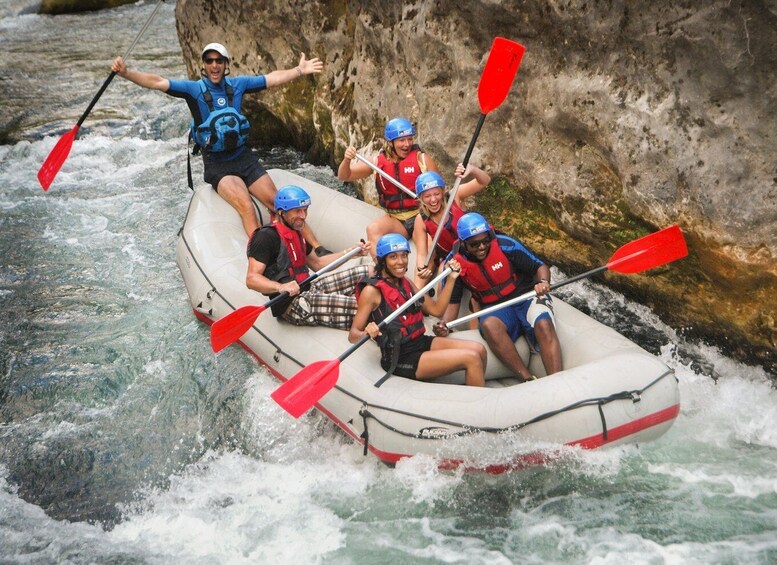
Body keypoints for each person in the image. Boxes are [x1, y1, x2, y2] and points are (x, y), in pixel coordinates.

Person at [111, 42, 327, 252]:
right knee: (246, 206)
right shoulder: (193, 89)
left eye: (219, 61)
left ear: (225, 64)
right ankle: (264, 256)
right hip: (218, 165)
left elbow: (271, 79)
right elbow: (157, 82)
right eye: (209, 61)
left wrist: (300, 70)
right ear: (203, 65)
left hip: (244, 158)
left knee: (280, 201)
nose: (214, 65)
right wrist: (126, 73)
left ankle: (317, 249)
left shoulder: (237, 85)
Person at [436, 213, 562, 382]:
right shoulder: (454, 264)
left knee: (544, 324)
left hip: (526, 298)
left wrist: (544, 282)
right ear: (464, 243)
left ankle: (558, 382)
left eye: (485, 241)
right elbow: (453, 304)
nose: (482, 247)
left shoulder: (506, 245)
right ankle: (527, 379)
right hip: (496, 309)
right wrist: (445, 325)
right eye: (475, 244)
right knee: (489, 325)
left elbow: (539, 266)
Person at [349, 233, 487, 386]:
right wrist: (367, 333)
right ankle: (481, 406)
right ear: (383, 261)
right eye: (393, 257)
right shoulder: (371, 292)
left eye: (404, 255)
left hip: (420, 341)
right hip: (400, 356)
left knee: (479, 349)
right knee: (472, 358)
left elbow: (437, 310)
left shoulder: (406, 282)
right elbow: (353, 335)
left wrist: (452, 278)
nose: (400, 262)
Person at [246, 185, 371, 329]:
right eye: (297, 211)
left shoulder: (296, 233)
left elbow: (318, 263)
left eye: (305, 210)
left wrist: (351, 253)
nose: (303, 216)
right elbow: (251, 279)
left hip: (309, 288)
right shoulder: (265, 237)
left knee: (369, 271)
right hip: (292, 304)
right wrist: (280, 287)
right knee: (364, 307)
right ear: (281, 213)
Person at [337, 117, 438, 256]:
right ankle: (382, 272)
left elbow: (440, 190)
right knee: (372, 229)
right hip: (396, 219)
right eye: (402, 140)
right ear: (391, 142)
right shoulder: (377, 162)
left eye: (410, 139)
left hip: (419, 216)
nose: (407, 144)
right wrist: (347, 159)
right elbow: (344, 176)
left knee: (427, 244)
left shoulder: (422, 160)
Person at [412, 164, 491, 287]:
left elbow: (484, 181)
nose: (433, 200)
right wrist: (422, 268)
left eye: (437, 194)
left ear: (443, 191)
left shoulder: (455, 196)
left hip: (476, 248)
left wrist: (472, 169)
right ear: (420, 198)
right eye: (427, 196)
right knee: (443, 270)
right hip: (453, 257)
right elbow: (422, 253)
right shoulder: (420, 220)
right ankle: (417, 299)